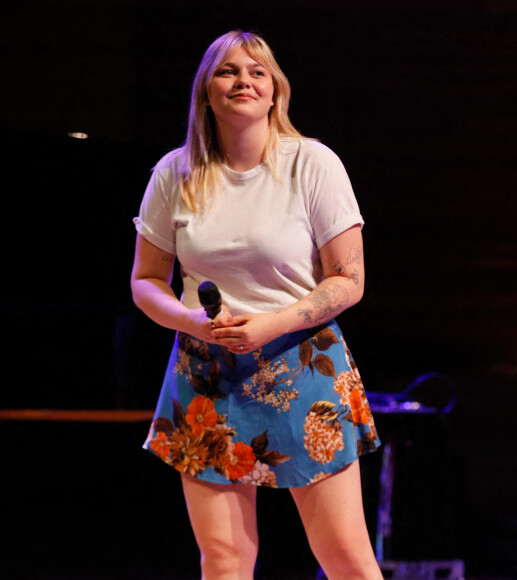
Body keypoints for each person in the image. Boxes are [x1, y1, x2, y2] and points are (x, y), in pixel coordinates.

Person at [131, 30, 383, 580]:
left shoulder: (312, 164)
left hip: (302, 362)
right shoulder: (175, 173)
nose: (243, 80)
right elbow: (147, 281)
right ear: (206, 92)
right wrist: (190, 319)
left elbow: (349, 279)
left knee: (346, 560)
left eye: (257, 72)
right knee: (224, 561)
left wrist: (271, 324)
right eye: (227, 71)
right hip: (207, 371)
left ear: (275, 93)